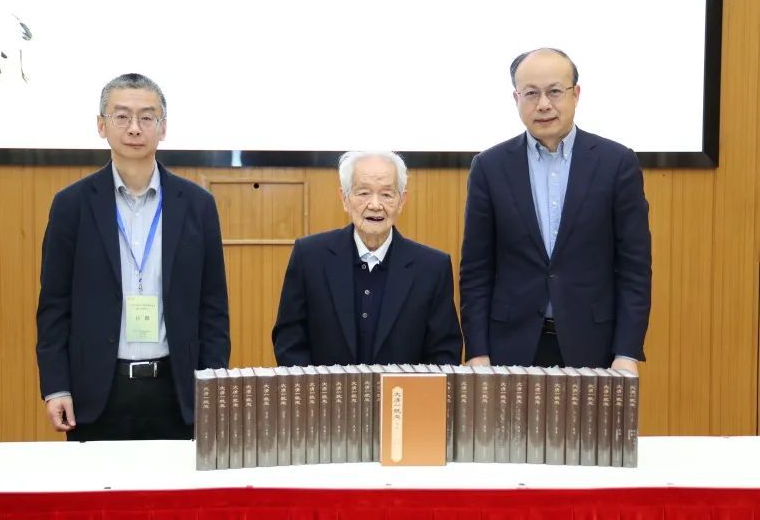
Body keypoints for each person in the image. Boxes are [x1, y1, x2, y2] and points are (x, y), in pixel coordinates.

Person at [36, 73, 230, 440]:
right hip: (96, 392)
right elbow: (54, 307)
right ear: (101, 125)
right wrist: (56, 386)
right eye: (122, 116)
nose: (135, 128)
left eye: (147, 117)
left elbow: (213, 308)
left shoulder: (197, 205)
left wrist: (212, 384)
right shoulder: (71, 205)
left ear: (163, 127)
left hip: (177, 391)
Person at [460, 48, 651, 372]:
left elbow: (634, 267)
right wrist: (477, 351)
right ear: (516, 98)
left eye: (554, 91)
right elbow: (476, 270)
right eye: (531, 93)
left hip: (595, 346)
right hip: (510, 346)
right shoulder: (489, 167)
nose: (543, 104)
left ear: (576, 94)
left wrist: (627, 351)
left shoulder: (616, 163)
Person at [272, 151, 462, 366]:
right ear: (345, 199)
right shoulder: (309, 257)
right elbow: (289, 341)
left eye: (387, 194)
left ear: (402, 201)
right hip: (324, 388)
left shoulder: (432, 268)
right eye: (363, 193)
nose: (375, 205)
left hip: (402, 389)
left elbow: (444, 353)